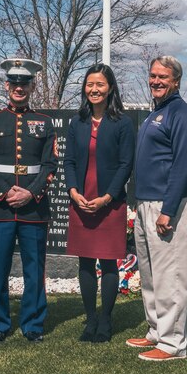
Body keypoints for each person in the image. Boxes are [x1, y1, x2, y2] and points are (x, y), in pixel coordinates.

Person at [0, 58, 58, 343]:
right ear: (6, 85)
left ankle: (33, 323)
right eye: (14, 84)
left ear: (32, 86)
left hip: (34, 209)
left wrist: (30, 193)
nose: (18, 88)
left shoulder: (45, 123)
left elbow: (50, 166)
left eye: (24, 84)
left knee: (34, 269)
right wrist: (5, 192)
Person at [126, 56, 187, 362]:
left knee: (170, 275)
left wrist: (167, 210)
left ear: (176, 81)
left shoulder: (182, 114)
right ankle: (156, 330)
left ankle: (172, 344)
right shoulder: (156, 113)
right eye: (153, 75)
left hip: (169, 205)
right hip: (145, 203)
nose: (156, 81)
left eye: (163, 77)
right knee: (150, 274)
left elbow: (183, 166)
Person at [64, 63, 135, 343]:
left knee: (108, 264)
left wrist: (107, 197)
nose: (94, 89)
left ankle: (105, 320)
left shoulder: (123, 123)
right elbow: (69, 160)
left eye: (100, 85)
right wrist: (72, 191)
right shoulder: (77, 122)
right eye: (90, 84)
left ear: (110, 89)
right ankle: (90, 321)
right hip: (81, 201)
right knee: (85, 263)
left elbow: (126, 164)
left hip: (110, 202)